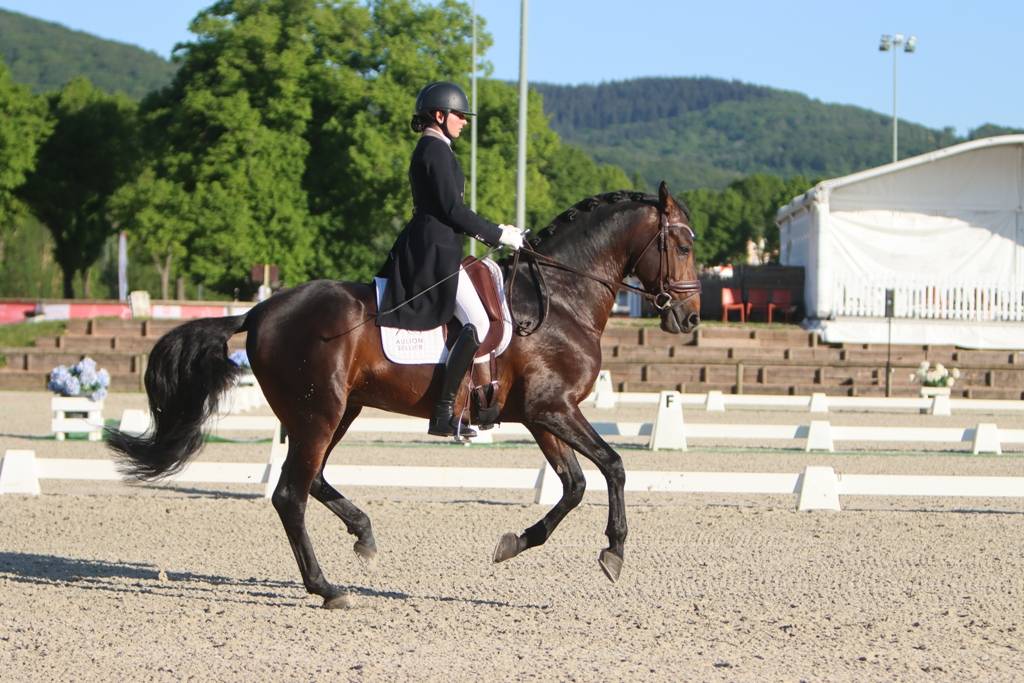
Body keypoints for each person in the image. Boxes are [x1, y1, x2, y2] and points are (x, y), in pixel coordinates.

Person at [376, 81, 524, 438]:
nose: (465, 122)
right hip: (433, 253)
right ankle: (445, 413)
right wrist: (497, 234)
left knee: (476, 321)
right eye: (460, 115)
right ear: (440, 115)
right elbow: (453, 210)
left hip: (437, 247)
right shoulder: (434, 150)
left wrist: (494, 229)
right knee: (479, 321)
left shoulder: (435, 148)